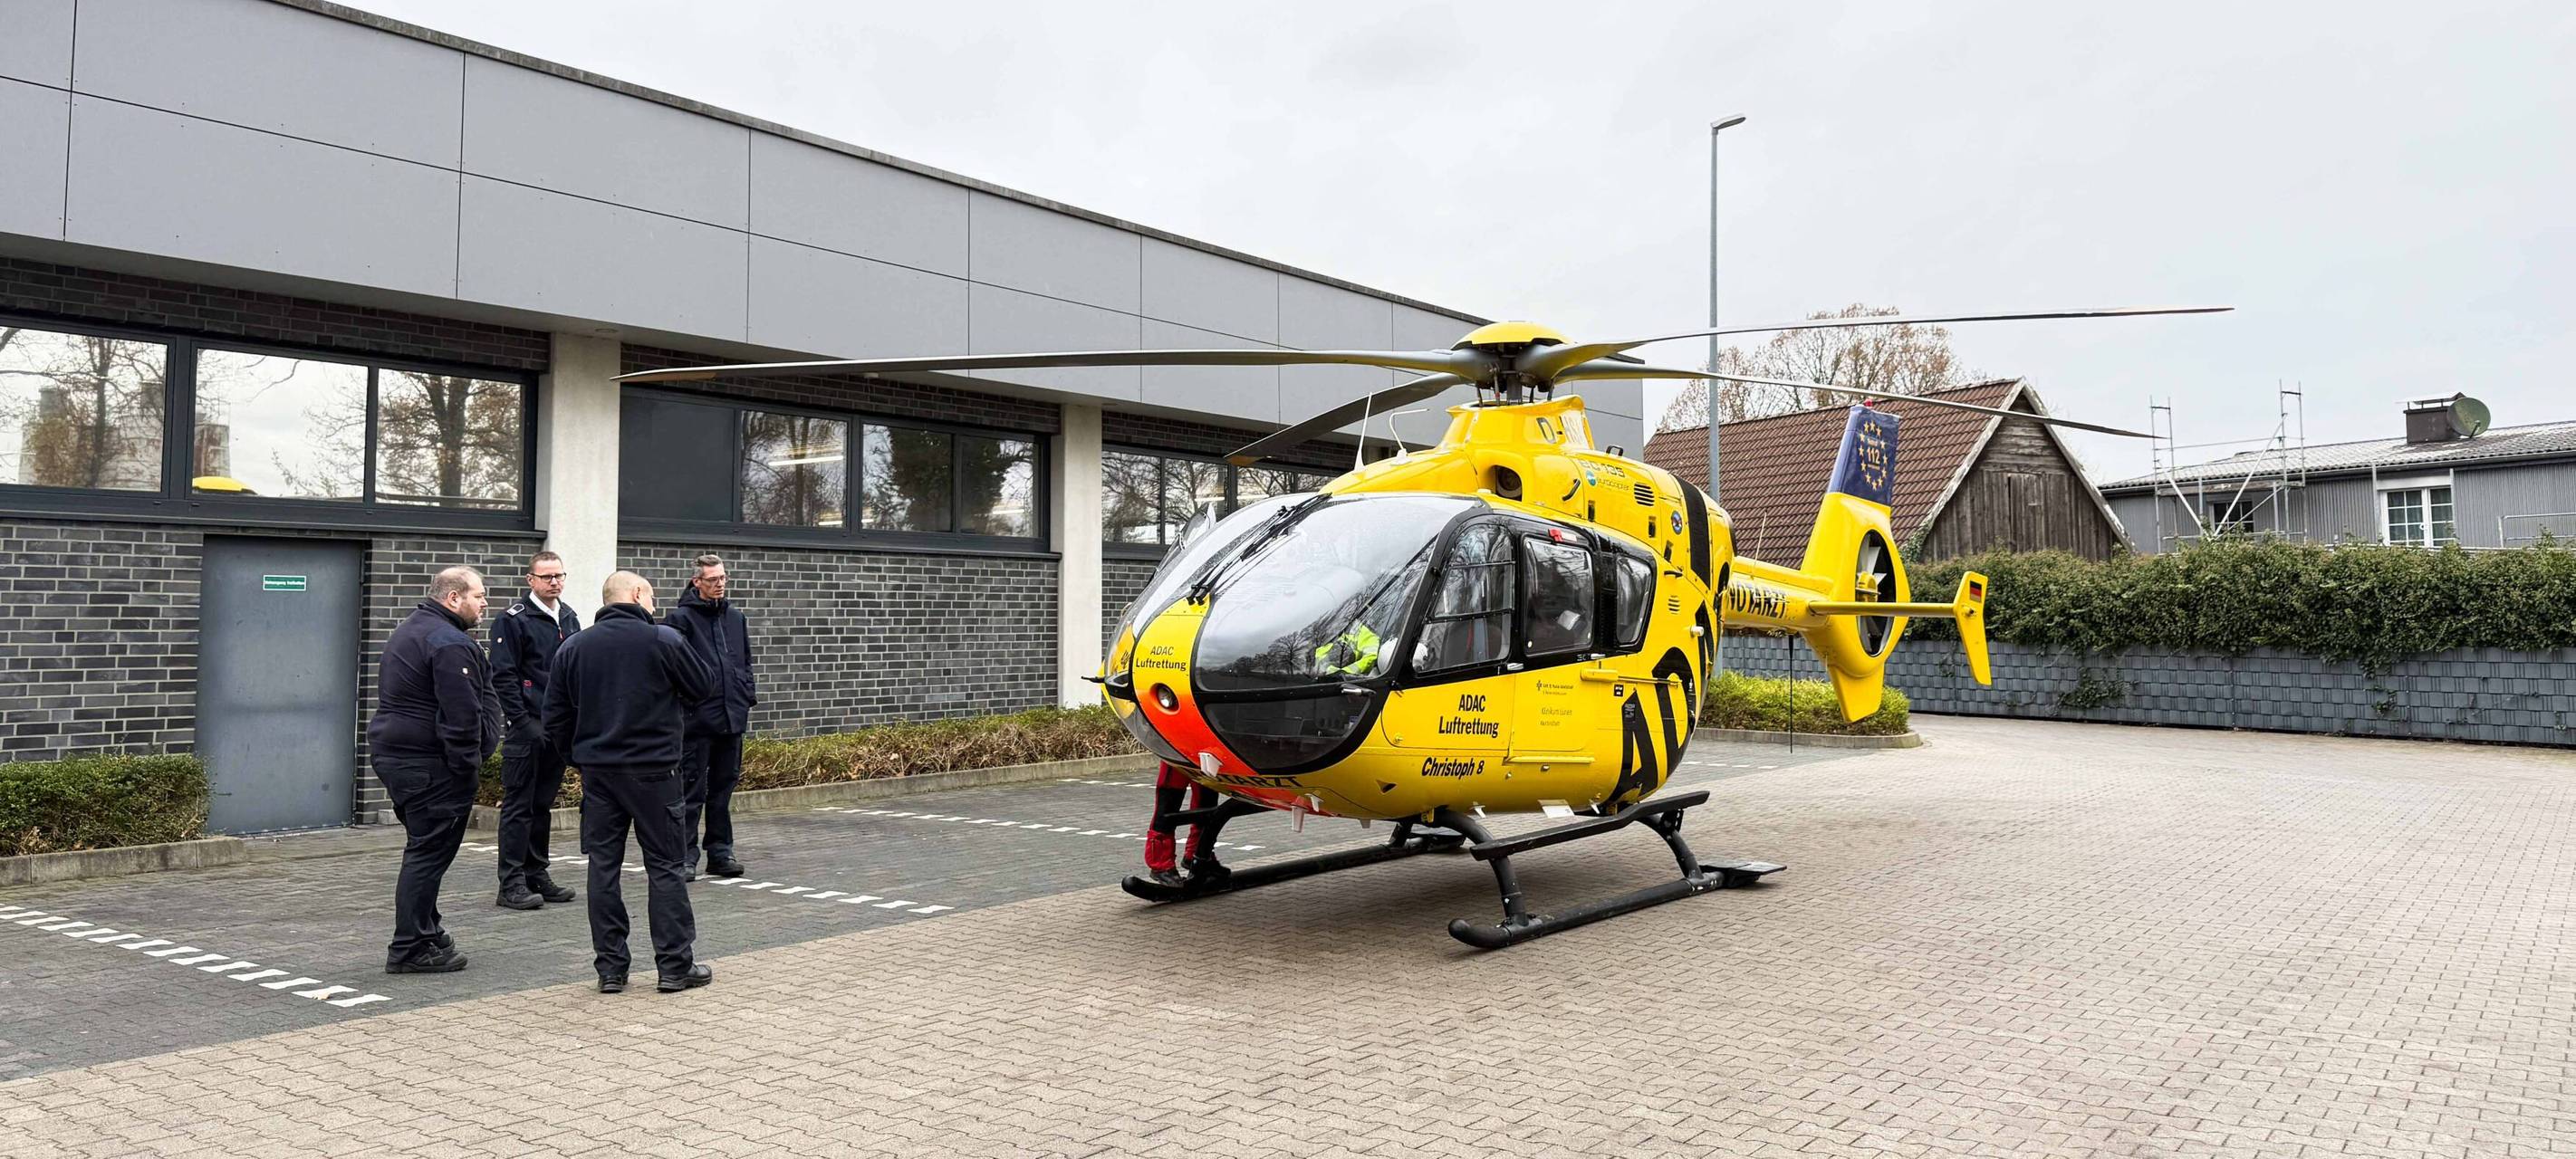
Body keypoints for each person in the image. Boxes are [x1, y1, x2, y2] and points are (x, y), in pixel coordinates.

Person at [543, 570, 716, 994]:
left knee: (603, 867)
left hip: (599, 774)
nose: (655, 605)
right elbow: (704, 686)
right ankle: (675, 966)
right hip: (656, 772)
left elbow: (555, 717)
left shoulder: (574, 646)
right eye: (652, 597)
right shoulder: (663, 640)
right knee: (666, 866)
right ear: (637, 595)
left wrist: (579, 758)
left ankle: (611, 969)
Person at [367, 566, 502, 974]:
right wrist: (467, 766)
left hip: (403, 758)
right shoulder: (447, 642)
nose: (484, 604)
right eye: (478, 596)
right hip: (431, 765)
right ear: (454, 598)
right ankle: (409, 947)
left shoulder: (415, 629)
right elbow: (461, 714)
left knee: (425, 850)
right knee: (426, 855)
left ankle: (425, 931)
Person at [487, 551, 582, 910]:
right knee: (519, 806)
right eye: (546, 577)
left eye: (559, 576)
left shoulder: (569, 617)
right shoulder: (513, 620)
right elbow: (503, 675)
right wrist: (523, 721)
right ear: (531, 580)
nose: (554, 582)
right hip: (527, 730)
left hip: (557, 730)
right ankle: (510, 882)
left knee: (542, 805)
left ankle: (536, 873)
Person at [670, 553, 756, 880]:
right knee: (690, 789)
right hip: (696, 720)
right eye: (712, 579)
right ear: (697, 582)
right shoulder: (680, 619)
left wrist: (746, 694)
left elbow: (744, 661)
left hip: (732, 716)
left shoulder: (735, 617)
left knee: (722, 790)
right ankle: (685, 855)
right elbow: (674, 668)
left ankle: (720, 851)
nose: (719, 584)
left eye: (722, 578)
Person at [1141, 760, 1228, 889]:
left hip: (1204, 754)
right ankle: (1161, 865)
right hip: (1176, 752)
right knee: (1169, 803)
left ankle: (1199, 853)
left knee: (1206, 801)